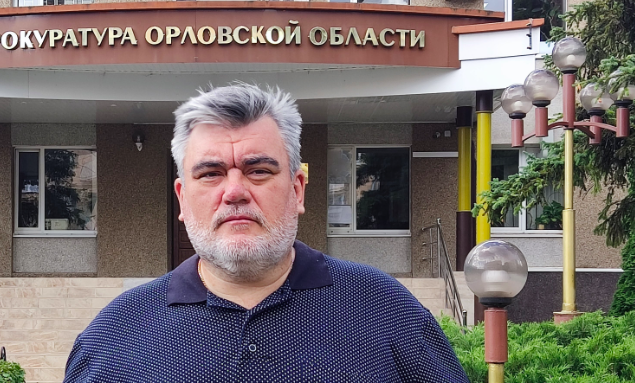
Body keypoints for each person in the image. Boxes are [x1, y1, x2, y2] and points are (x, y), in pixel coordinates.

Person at [63, 83, 469, 382]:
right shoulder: (114, 336)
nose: (234, 192)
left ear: (297, 190)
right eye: (211, 173)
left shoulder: (386, 311)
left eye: (258, 170)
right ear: (183, 199)